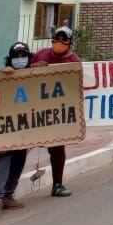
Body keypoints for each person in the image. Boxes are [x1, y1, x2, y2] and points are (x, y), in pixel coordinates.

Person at [28, 26, 81, 197]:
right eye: (57, 38)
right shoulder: (41, 54)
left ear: (70, 42)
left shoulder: (74, 62)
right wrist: (32, 67)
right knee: (11, 147)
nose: (59, 42)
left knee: (57, 148)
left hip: (55, 114)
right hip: (31, 110)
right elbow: (22, 73)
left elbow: (76, 87)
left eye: (63, 39)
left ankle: (57, 185)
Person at [0, 42, 33, 219]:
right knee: (3, 156)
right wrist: (1, 74)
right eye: (16, 56)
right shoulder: (2, 75)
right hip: (5, 126)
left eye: (23, 55)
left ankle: (8, 195)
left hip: (24, 125)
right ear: (10, 59)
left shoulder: (35, 74)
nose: (20, 59)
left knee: (20, 156)